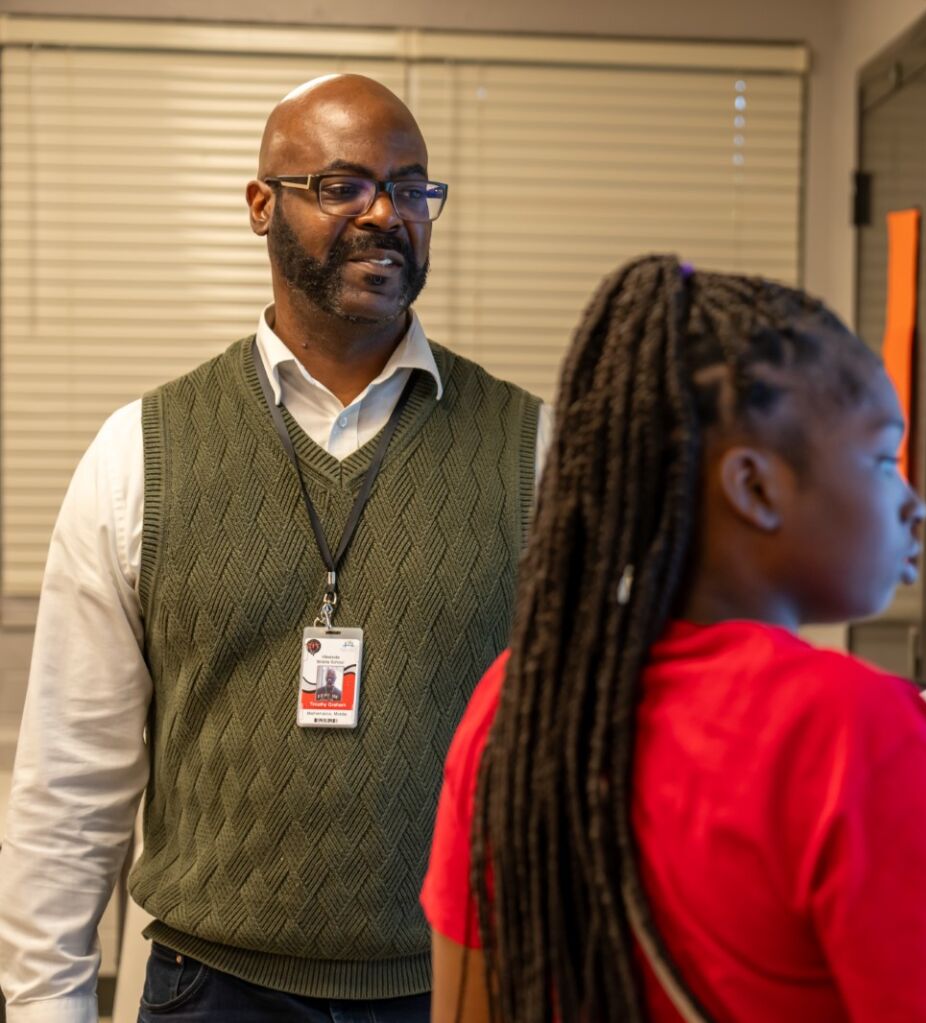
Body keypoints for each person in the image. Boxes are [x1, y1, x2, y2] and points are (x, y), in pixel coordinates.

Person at [420, 255, 926, 1022]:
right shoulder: (842, 727)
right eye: (881, 460)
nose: (912, 505)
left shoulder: (516, 700)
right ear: (755, 487)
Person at [0, 74, 550, 1022]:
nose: (386, 214)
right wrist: (48, 1004)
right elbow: (71, 782)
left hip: (457, 985)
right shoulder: (140, 452)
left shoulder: (534, 453)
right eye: (343, 186)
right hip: (207, 988)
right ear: (262, 205)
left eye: (412, 189)